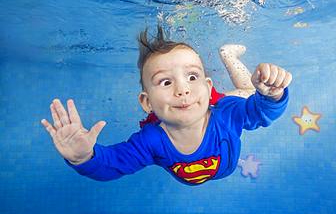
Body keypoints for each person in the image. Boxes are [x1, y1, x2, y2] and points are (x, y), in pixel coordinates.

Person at [41, 26, 292, 185]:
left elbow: (261, 113)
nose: (182, 89)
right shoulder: (151, 140)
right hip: (202, 105)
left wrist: (272, 95)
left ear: (206, 85)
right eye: (165, 81)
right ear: (146, 102)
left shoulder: (226, 116)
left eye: (192, 77)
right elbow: (114, 164)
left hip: (220, 102)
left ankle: (228, 55)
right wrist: (84, 157)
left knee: (249, 92)